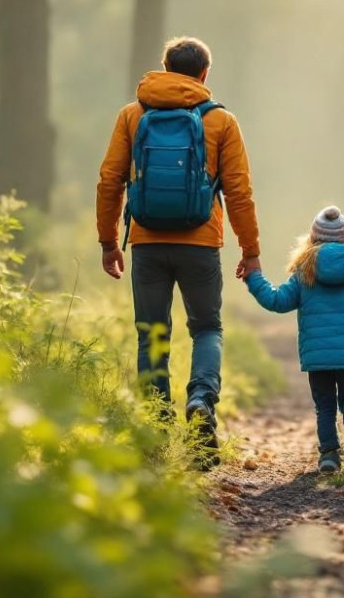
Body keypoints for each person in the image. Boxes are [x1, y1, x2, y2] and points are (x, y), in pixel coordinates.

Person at [96, 37, 260, 467]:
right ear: (204, 74)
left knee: (152, 332)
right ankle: (202, 402)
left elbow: (110, 180)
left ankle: (154, 429)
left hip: (148, 242)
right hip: (201, 243)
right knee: (207, 328)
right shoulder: (221, 121)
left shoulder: (133, 115)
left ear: (165, 67)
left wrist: (109, 241)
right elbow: (239, 192)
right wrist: (252, 250)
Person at [245, 207, 344, 473]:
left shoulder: (304, 272)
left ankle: (329, 456)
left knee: (325, 407)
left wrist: (253, 278)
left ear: (313, 238)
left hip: (317, 358)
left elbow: (276, 301)